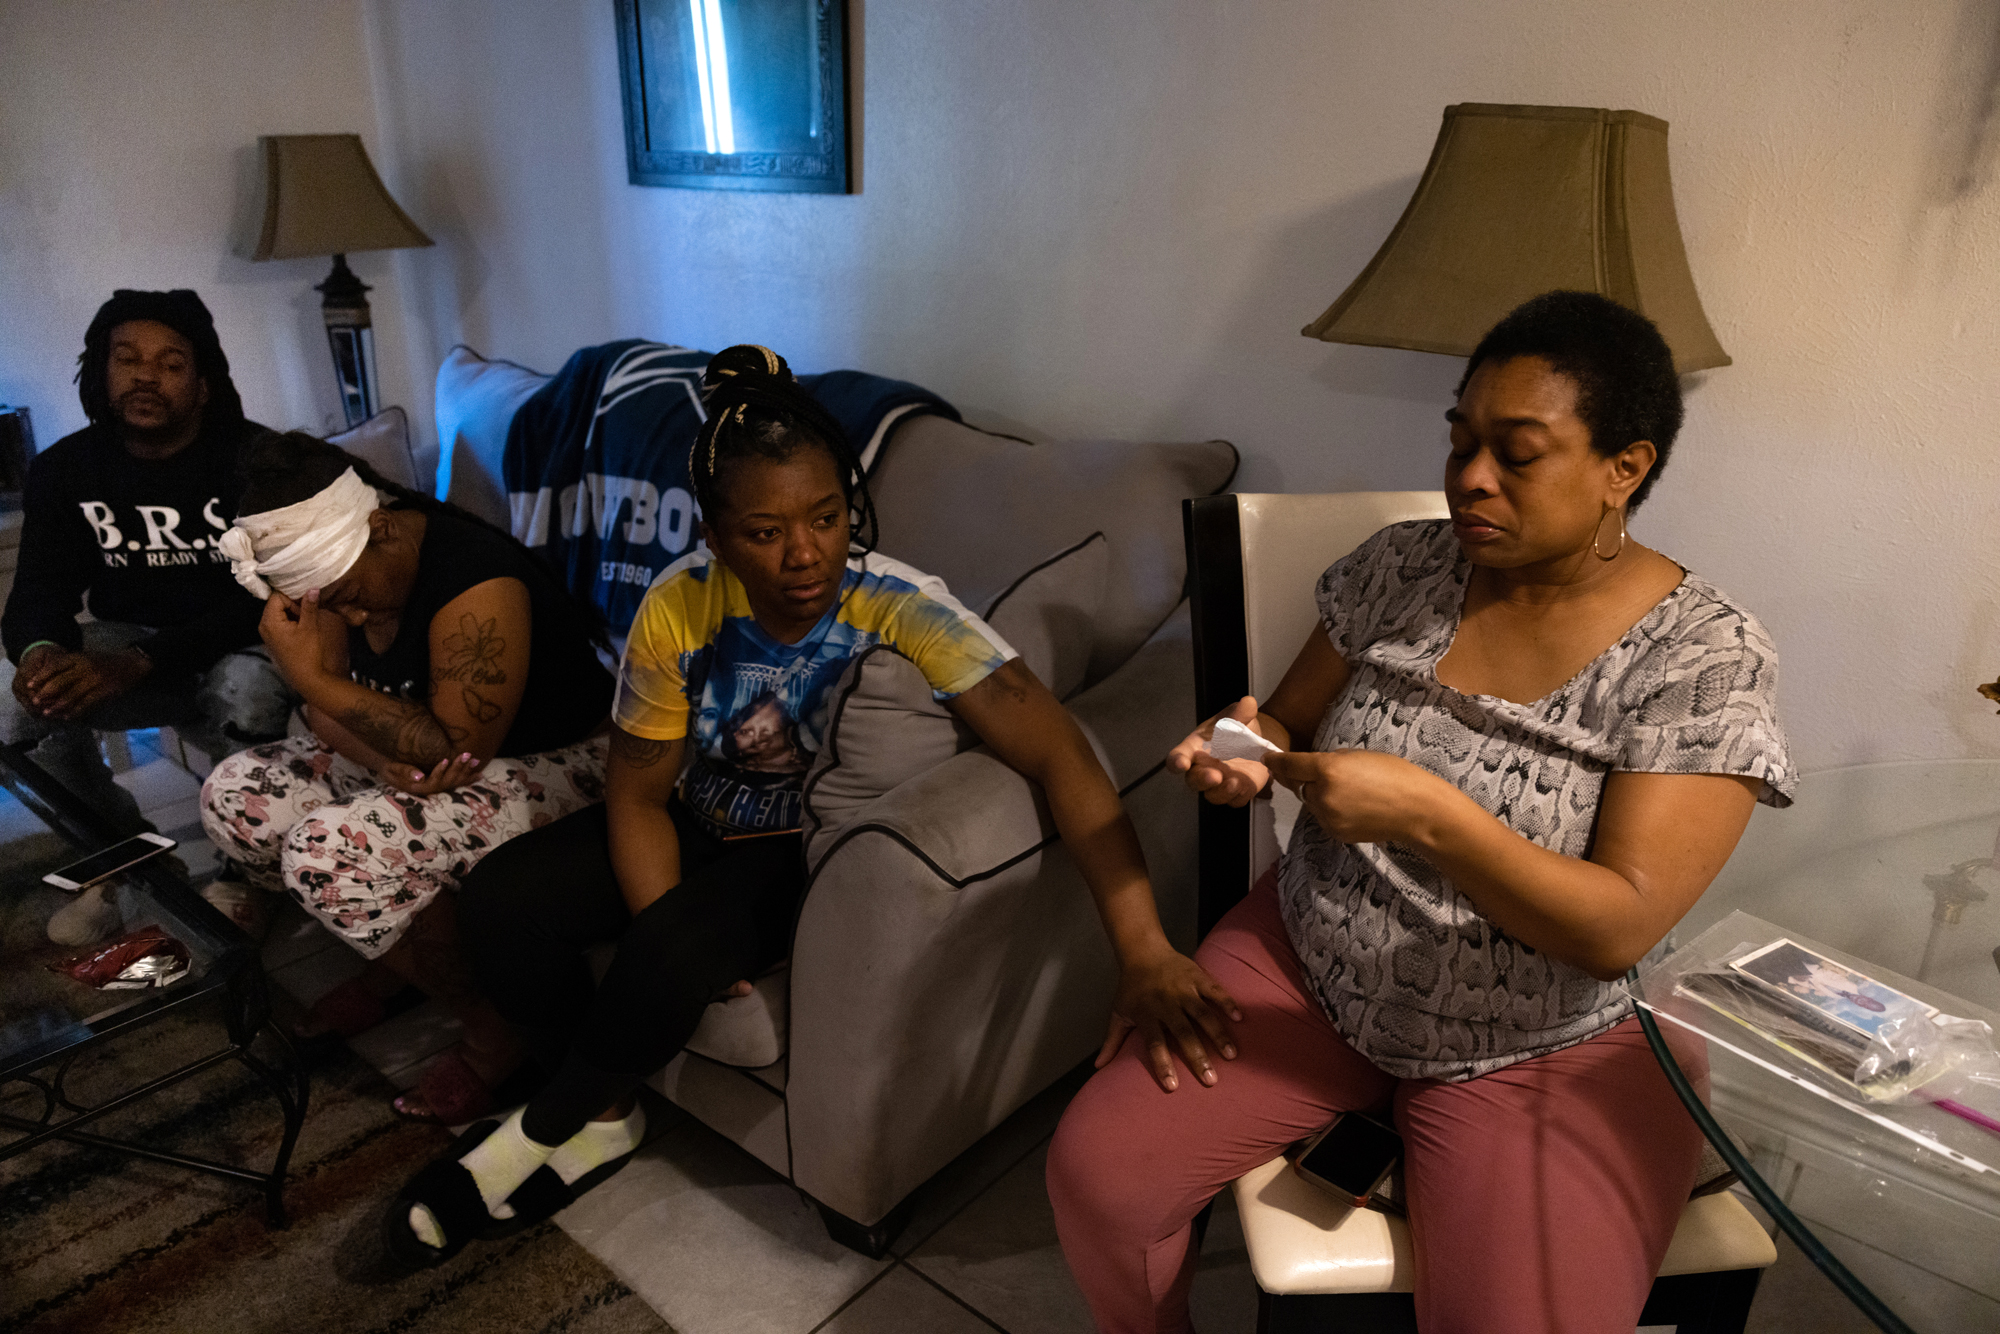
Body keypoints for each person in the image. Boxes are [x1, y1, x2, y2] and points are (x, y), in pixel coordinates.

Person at [1046, 291, 1796, 1334]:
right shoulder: (1403, 564)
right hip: (1310, 964)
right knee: (1100, 1178)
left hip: (1544, 1038)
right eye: (1459, 440)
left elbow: (1616, 925)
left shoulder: (1702, 657)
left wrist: (1431, 817)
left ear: (1623, 468)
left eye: (1516, 453)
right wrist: (1239, 755)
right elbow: (1284, 719)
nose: (1470, 477)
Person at [383, 345, 1188, 1264]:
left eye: (826, 517)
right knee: (501, 901)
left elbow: (1063, 756)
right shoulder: (679, 606)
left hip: (799, 854)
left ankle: (530, 1137)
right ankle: (604, 1116)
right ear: (717, 536)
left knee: (674, 947)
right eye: (765, 531)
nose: (805, 554)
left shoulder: (906, 609)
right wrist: (662, 926)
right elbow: (638, 795)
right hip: (699, 815)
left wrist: (1143, 944)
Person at [197, 429, 616, 1121]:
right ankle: (404, 974)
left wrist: (312, 678)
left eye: (352, 597)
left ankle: (494, 1030)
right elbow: (327, 715)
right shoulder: (339, 579)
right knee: (240, 797)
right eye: (332, 605)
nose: (352, 616)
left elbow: (453, 747)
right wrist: (381, 756)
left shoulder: (476, 581)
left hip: (569, 766)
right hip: (444, 760)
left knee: (330, 855)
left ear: (384, 528)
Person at [2, 290, 293, 944]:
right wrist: (41, 654)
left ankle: (249, 873)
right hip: (134, 646)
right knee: (17, 704)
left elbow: (268, 597)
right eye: (127, 359)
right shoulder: (64, 469)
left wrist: (140, 661)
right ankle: (127, 865)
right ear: (101, 371)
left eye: (170, 363)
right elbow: (39, 587)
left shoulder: (256, 459)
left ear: (203, 382)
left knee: (246, 686)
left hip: (240, 642)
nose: (145, 376)